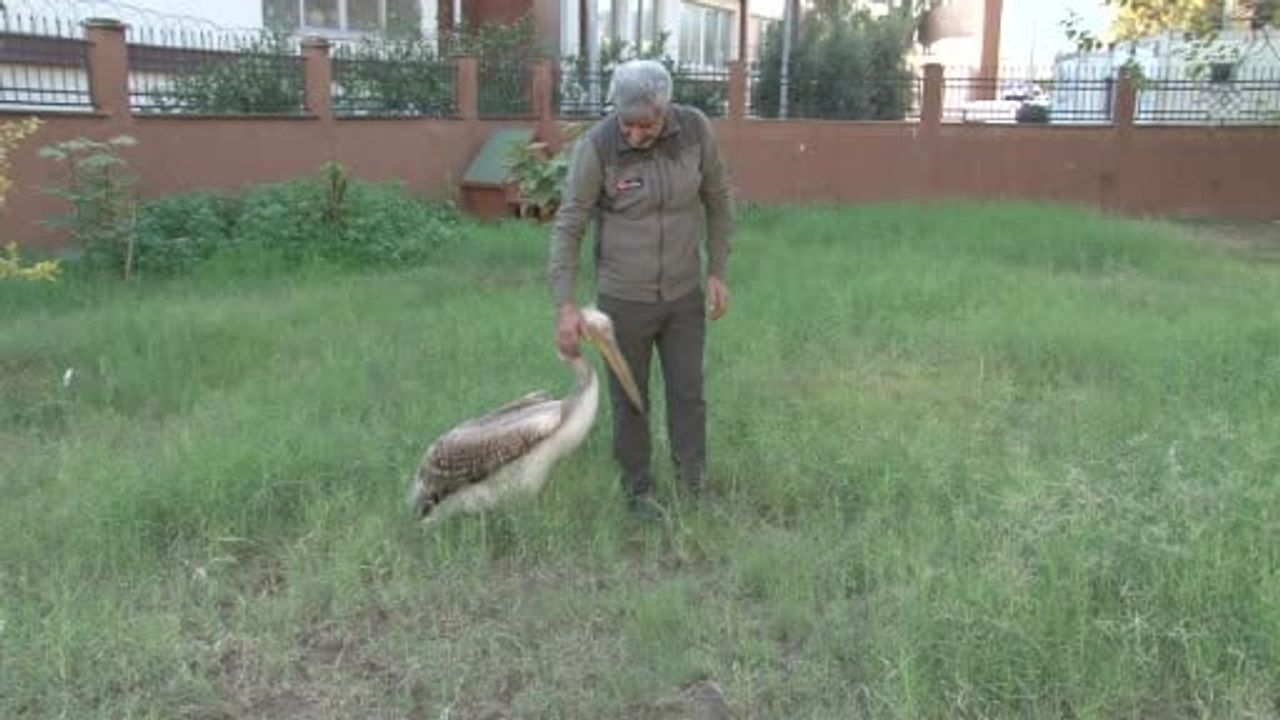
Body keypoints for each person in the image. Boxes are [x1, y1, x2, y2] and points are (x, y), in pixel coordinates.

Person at [548, 59, 734, 516]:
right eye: (625, 123)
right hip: (623, 301)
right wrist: (566, 304)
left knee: (688, 394)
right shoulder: (599, 146)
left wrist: (718, 271)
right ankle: (638, 493)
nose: (633, 134)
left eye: (644, 124)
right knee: (631, 398)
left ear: (665, 108)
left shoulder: (694, 132)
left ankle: (694, 488)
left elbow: (718, 199)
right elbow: (569, 223)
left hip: (683, 296)